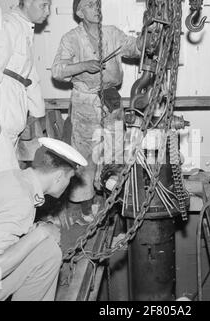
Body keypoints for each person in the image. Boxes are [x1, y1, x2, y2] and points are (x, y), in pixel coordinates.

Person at [51, 0, 142, 220]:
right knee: (86, 156)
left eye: (98, 3)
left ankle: (114, 202)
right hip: (85, 102)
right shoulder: (71, 38)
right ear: (80, 12)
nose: (97, 7)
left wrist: (148, 36)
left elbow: (135, 47)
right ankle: (86, 205)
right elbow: (57, 71)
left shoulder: (112, 33)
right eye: (90, 5)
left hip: (110, 99)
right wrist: (83, 65)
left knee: (114, 151)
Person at [0, 137, 87, 301]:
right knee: (48, 254)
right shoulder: (21, 200)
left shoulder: (15, 178)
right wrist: (40, 233)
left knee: (45, 250)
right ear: (59, 176)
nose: (69, 184)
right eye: (70, 178)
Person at [0, 0, 51, 173]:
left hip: (14, 110)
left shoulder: (25, 29)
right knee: (3, 174)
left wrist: (39, 117)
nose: (48, 11)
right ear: (27, 2)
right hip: (3, 108)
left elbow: (31, 77)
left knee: (8, 172)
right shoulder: (7, 25)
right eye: (44, 5)